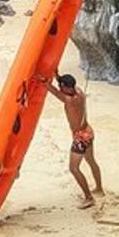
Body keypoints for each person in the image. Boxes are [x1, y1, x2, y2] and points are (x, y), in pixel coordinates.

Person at [41, 72, 103, 208]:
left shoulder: (69, 100)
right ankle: (99, 189)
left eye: (62, 86)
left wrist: (40, 79)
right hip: (88, 131)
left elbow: (51, 89)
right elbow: (60, 86)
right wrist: (57, 75)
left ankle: (89, 197)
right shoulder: (79, 92)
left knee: (73, 168)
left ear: (65, 87)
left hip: (81, 137)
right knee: (91, 161)